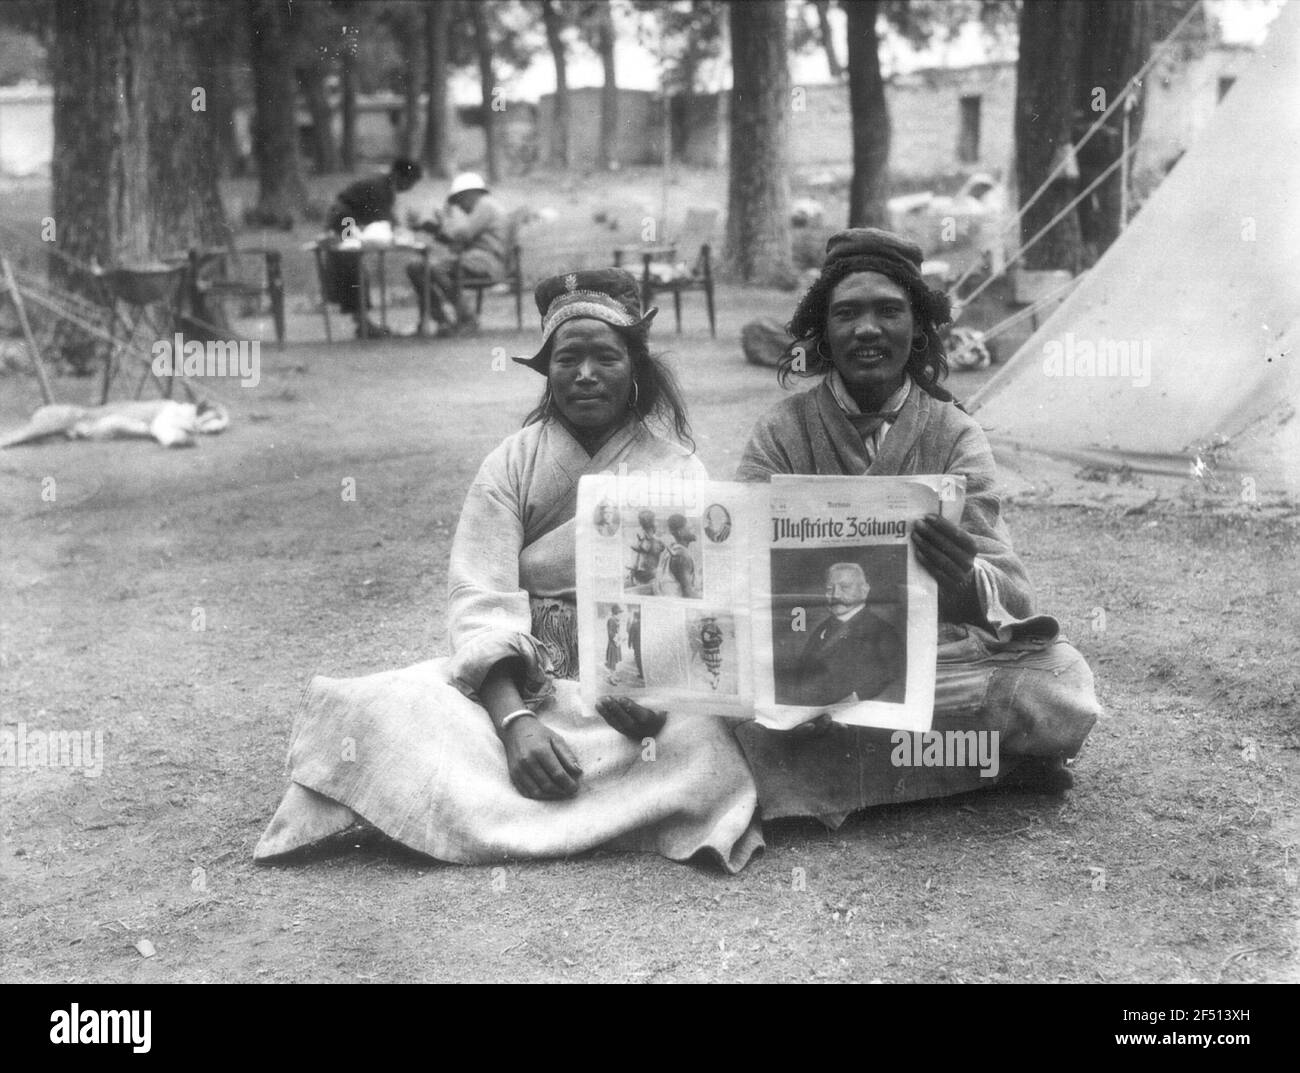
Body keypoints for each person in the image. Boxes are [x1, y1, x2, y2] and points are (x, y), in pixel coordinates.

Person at [256, 268, 761, 872]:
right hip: (526, 680)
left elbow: (693, 608)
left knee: (704, 744)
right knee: (386, 706)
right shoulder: (512, 463)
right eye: (567, 358)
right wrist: (514, 721)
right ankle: (595, 801)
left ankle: (504, 807)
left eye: (607, 357)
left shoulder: (678, 469)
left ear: (637, 367)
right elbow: (481, 596)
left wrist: (651, 688)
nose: (586, 375)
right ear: (546, 370)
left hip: (632, 697)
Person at [735, 227, 1101, 822]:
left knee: (1059, 682)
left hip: (931, 664)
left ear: (919, 327)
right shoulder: (782, 429)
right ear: (823, 331)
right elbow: (738, 567)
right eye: (847, 313)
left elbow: (1010, 588)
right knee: (725, 705)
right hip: (807, 667)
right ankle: (982, 766)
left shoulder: (954, 432)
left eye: (889, 311)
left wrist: (965, 581)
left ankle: (817, 774)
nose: (868, 329)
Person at [322, 158, 423, 338]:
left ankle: (362, 321)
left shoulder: (385, 187)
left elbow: (384, 217)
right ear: (399, 176)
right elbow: (384, 218)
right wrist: (402, 233)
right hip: (344, 219)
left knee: (356, 269)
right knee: (351, 265)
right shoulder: (379, 187)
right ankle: (362, 322)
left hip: (349, 220)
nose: (409, 188)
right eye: (410, 183)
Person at [782, 563, 903, 706]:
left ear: (864, 591)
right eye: (829, 589)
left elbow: (893, 684)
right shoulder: (822, 629)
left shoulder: (883, 633)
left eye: (845, 587)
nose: (835, 595)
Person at [405, 172, 508, 334]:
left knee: (433, 268)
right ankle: (442, 320)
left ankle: (466, 317)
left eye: (459, 201)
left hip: (486, 261)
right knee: (416, 267)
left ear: (469, 194)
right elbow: (456, 241)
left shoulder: (486, 205)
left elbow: (462, 235)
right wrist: (434, 229)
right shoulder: (485, 206)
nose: (460, 207)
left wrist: (443, 222)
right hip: (475, 259)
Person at [656, 514, 699, 598]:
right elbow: (688, 594)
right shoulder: (682, 557)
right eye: (690, 528)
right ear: (681, 532)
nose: (694, 531)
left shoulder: (672, 549)